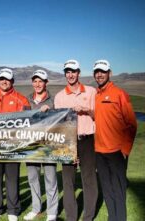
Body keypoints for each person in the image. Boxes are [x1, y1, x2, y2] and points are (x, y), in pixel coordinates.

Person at [93, 60, 137, 221]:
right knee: (107, 189)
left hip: (116, 152)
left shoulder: (119, 94)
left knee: (118, 190)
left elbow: (131, 123)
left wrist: (125, 150)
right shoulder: (96, 95)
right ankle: (112, 217)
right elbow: (100, 117)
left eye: (102, 71)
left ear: (109, 73)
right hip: (99, 151)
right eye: (97, 72)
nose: (99, 74)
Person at [54, 60, 98, 221]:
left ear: (78, 72)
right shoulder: (59, 97)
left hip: (87, 140)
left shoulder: (91, 92)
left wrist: (87, 110)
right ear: (65, 74)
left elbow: (99, 116)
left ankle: (88, 217)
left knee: (89, 179)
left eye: (73, 71)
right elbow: (59, 125)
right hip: (67, 142)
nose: (70, 74)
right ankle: (71, 217)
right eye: (67, 71)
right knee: (68, 181)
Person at [0, 68, 31, 221]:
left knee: (12, 179)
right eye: (1, 79)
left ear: (12, 81)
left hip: (13, 147)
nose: (4, 81)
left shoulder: (21, 99)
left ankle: (13, 209)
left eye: (7, 79)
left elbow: (28, 121)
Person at [23, 70, 58, 221]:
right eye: (35, 81)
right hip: (31, 146)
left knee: (50, 179)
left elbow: (60, 121)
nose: (37, 84)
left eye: (41, 81)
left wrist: (50, 111)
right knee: (33, 178)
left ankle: (52, 212)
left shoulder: (53, 101)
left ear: (46, 83)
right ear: (32, 83)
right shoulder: (26, 101)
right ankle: (36, 208)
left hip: (48, 146)